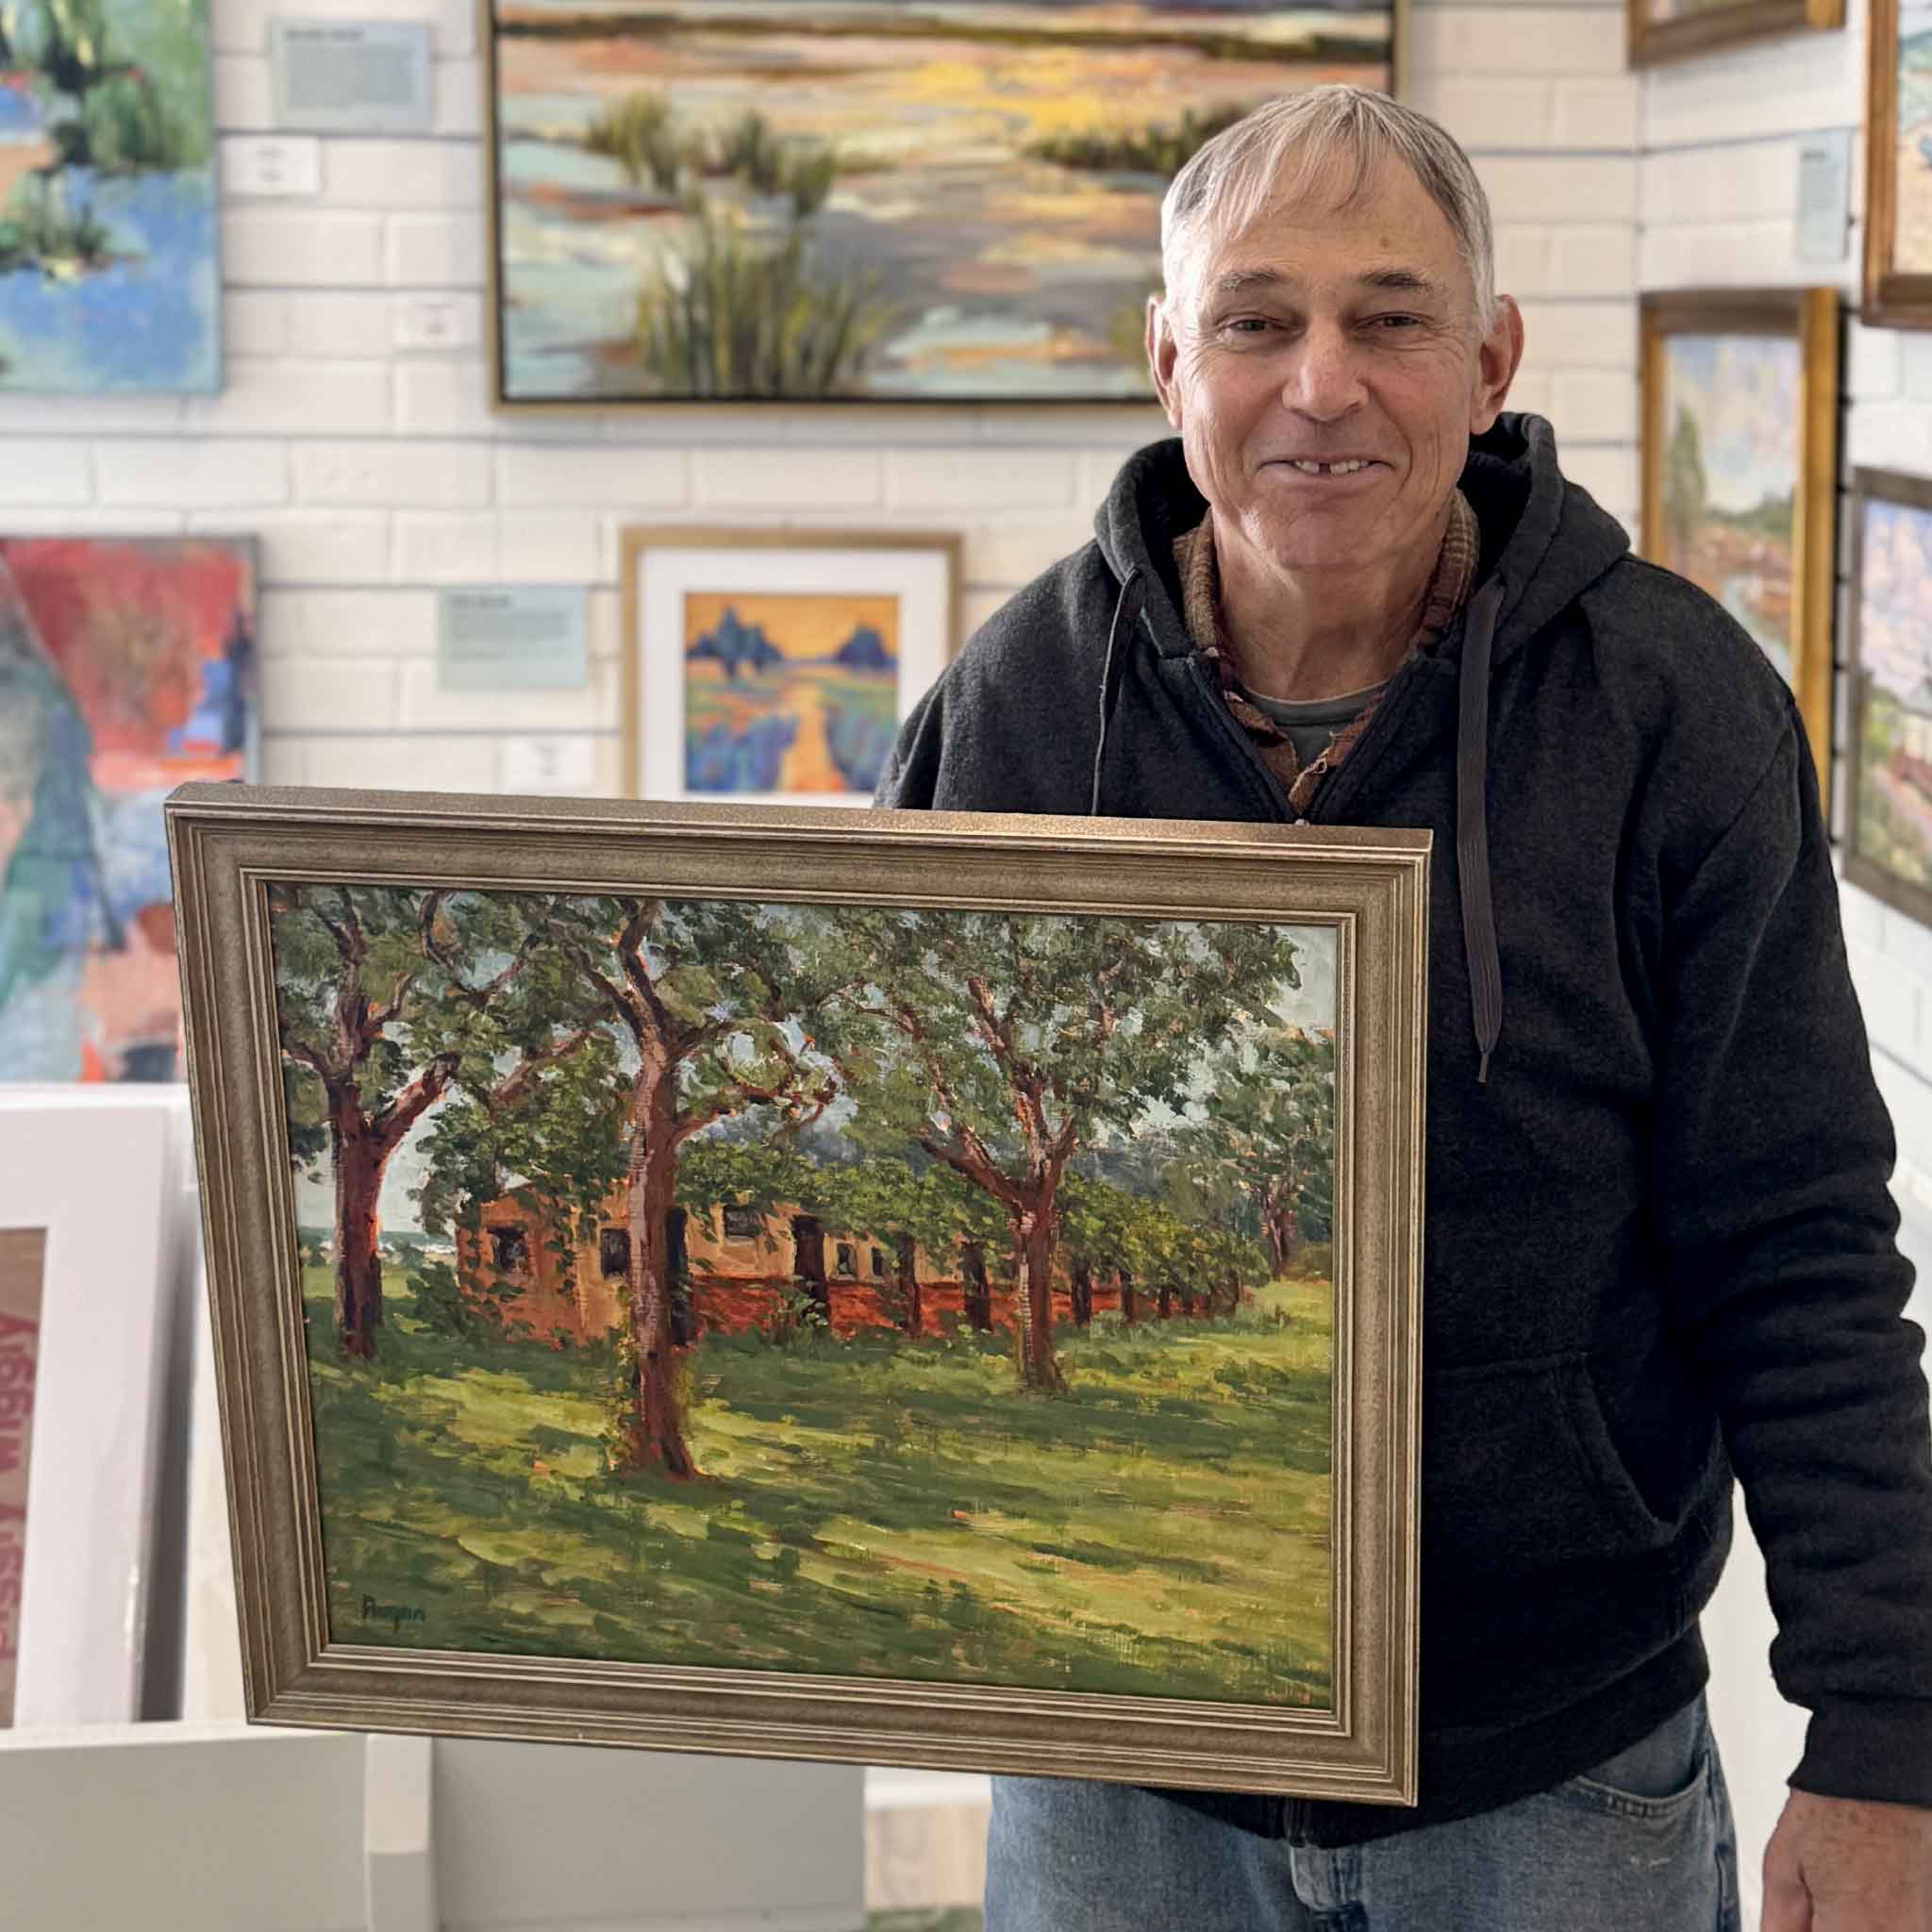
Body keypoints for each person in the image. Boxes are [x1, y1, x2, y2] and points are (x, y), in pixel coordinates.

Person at [875, 87, 1932, 1931]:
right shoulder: (1019, 708)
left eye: (1389, 316)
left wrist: (1885, 1733)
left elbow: (1798, 1248)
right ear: (1165, 360)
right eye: (1255, 319)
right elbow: (899, 1199)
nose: (1321, 383)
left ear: (1491, 358)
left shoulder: (1672, 712)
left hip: (1552, 1764)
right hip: (1118, 1754)